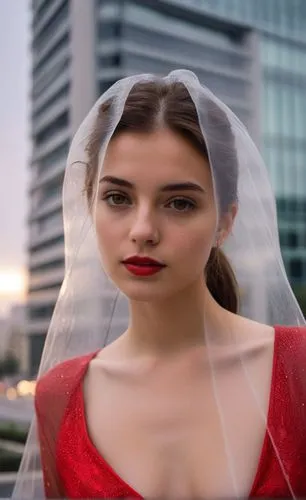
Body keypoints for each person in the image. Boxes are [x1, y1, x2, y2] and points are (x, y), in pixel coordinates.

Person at [13, 71, 306, 499]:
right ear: (90, 205)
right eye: (118, 198)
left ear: (225, 221)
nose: (143, 230)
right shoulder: (59, 396)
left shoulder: (298, 367)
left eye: (180, 203)